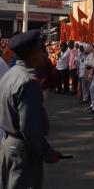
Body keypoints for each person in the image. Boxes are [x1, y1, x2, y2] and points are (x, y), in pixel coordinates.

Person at [0, 30, 61, 189]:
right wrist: (47, 152)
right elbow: (30, 129)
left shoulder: (10, 74)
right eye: (39, 49)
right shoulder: (29, 82)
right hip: (23, 151)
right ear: (31, 53)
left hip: (8, 144)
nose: (42, 53)